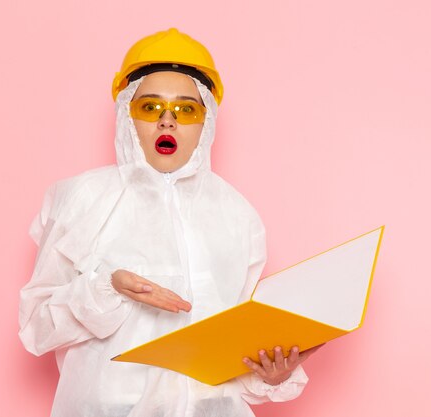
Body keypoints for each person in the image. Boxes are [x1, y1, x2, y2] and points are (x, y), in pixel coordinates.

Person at [19, 28, 317, 417]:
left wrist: (271, 374)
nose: (167, 121)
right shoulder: (80, 199)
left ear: (205, 123)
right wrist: (107, 287)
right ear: (127, 114)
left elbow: (234, 348)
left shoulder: (237, 214)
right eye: (150, 107)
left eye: (185, 110)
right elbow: (36, 329)